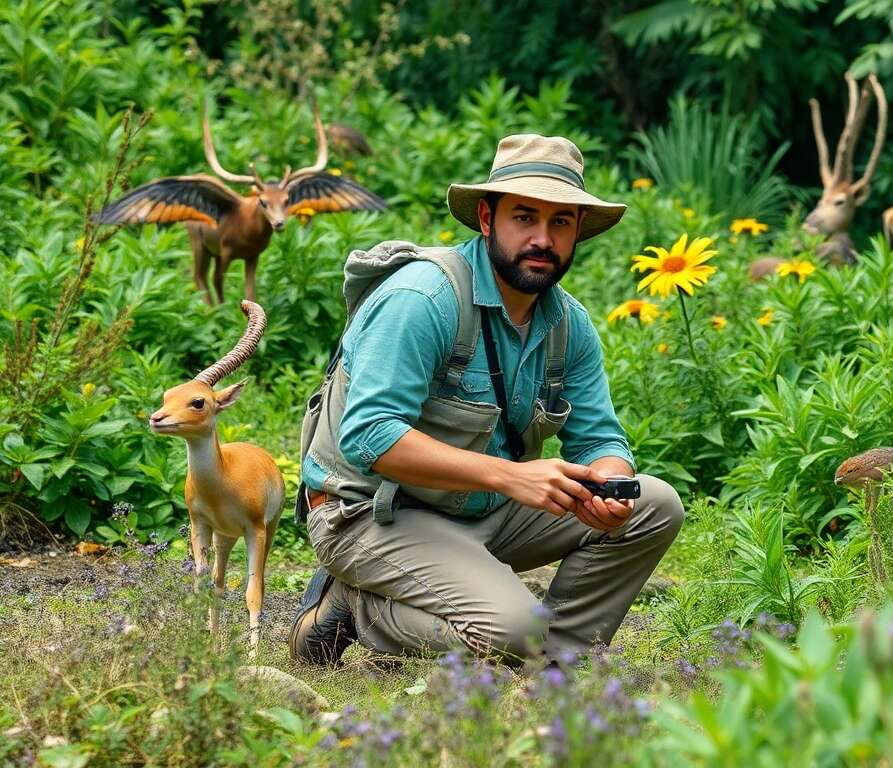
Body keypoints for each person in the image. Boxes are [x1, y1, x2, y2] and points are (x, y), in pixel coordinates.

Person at [288, 134, 684, 666]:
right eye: (524, 217)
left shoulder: (568, 325)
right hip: (371, 513)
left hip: (484, 512)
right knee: (514, 630)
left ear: (577, 234)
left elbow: (599, 438)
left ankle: (556, 663)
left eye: (561, 222)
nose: (542, 238)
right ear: (485, 217)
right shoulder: (422, 298)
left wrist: (608, 486)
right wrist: (510, 476)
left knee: (653, 505)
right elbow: (369, 436)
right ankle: (353, 607)